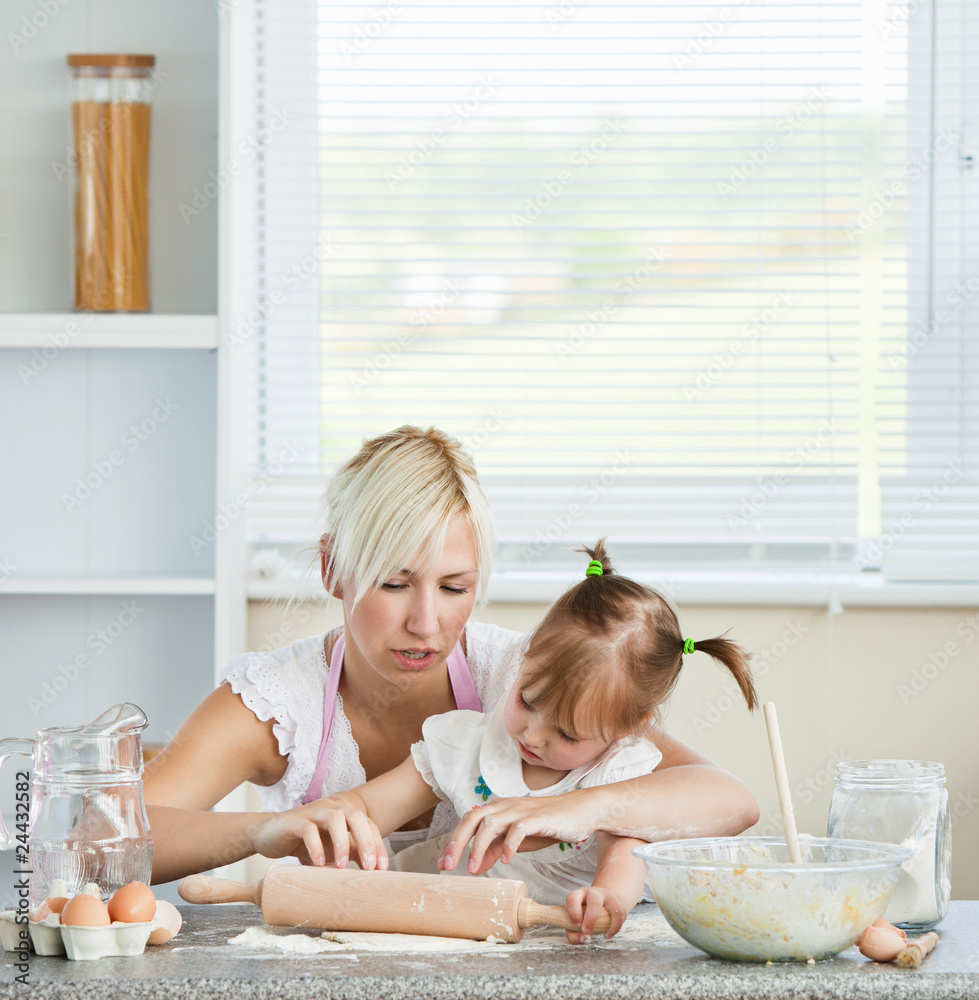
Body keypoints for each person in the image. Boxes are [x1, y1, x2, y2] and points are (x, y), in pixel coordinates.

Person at [144, 425, 761, 888]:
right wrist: (259, 833)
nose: (425, 623)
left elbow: (728, 799)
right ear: (333, 570)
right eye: (393, 583)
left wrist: (580, 808)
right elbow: (108, 842)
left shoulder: (525, 681)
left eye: (454, 587)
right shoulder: (279, 702)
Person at [282, 541, 758, 943]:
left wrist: (607, 898)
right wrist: (342, 832)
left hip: (541, 943)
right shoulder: (466, 744)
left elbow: (622, 862)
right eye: (527, 700)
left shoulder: (617, 776)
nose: (533, 735)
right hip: (437, 930)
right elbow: (367, 807)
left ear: (627, 726)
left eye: (567, 732)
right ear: (523, 658)